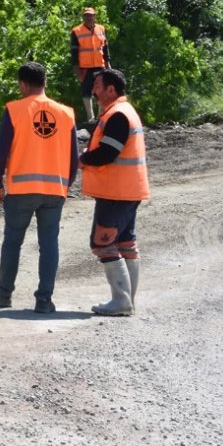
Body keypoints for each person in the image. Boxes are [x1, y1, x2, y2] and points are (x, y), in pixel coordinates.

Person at [0, 61, 80, 314]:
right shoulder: (66, 113)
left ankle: (4, 295)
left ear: (22, 84)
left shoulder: (15, 110)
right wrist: (66, 185)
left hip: (21, 191)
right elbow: (74, 158)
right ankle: (44, 300)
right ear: (45, 83)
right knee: (49, 244)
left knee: (12, 242)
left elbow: (0, 152)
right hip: (55, 192)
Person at [80, 68, 149, 316]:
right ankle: (126, 300)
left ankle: (121, 301)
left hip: (117, 191)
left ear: (111, 89)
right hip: (128, 189)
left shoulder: (118, 115)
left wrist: (82, 159)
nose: (93, 91)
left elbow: (108, 153)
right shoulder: (122, 112)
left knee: (102, 243)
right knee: (125, 243)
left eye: (97, 85)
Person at [71, 7, 110, 122]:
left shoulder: (101, 29)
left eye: (90, 15)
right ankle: (90, 117)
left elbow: (105, 48)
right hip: (85, 67)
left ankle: (100, 116)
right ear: (83, 17)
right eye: (86, 15)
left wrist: (108, 63)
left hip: (100, 65)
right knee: (86, 91)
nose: (88, 17)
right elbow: (74, 52)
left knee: (101, 90)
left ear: (94, 16)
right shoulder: (76, 31)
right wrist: (76, 69)